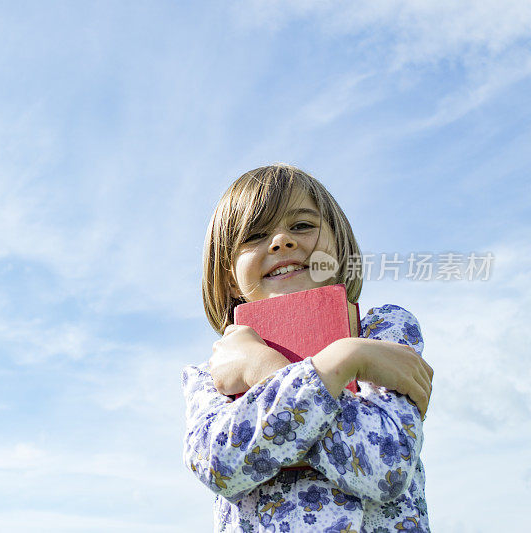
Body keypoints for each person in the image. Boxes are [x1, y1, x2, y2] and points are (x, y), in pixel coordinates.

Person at [182, 165, 434, 532]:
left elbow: (385, 466)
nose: (281, 241)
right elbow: (220, 467)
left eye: (302, 226)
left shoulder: (380, 333)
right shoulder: (214, 373)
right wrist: (342, 362)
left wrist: (268, 373)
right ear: (228, 275)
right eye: (255, 235)